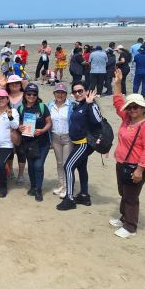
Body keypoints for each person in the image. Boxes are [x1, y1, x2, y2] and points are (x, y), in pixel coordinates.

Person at [111, 69, 145, 238]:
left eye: (135, 107)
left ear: (144, 108)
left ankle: (130, 227)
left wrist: (140, 170)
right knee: (123, 193)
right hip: (121, 163)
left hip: (135, 167)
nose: (132, 109)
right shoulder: (126, 119)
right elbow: (117, 102)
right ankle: (124, 218)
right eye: (130, 107)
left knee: (131, 197)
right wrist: (117, 83)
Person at [56, 81, 102, 211]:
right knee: (81, 168)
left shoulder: (90, 105)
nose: (77, 93)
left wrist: (91, 103)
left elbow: (97, 121)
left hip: (84, 143)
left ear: (87, 91)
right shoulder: (79, 105)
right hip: (77, 143)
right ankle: (84, 195)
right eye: (75, 91)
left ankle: (69, 199)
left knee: (68, 166)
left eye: (80, 91)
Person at [18, 83, 52, 202]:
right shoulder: (21, 108)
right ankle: (33, 186)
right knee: (31, 166)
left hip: (42, 142)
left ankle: (38, 189)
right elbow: (19, 123)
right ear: (25, 94)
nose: (31, 96)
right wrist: (20, 127)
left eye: (34, 94)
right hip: (28, 142)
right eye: (29, 94)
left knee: (38, 165)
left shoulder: (42, 107)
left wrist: (42, 130)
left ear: (37, 95)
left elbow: (49, 123)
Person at [47, 83, 75, 198]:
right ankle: (62, 185)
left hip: (68, 137)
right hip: (55, 137)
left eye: (62, 93)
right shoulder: (49, 105)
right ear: (54, 93)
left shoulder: (72, 105)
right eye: (57, 92)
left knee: (66, 163)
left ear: (66, 94)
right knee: (59, 163)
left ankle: (68, 188)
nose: (60, 95)